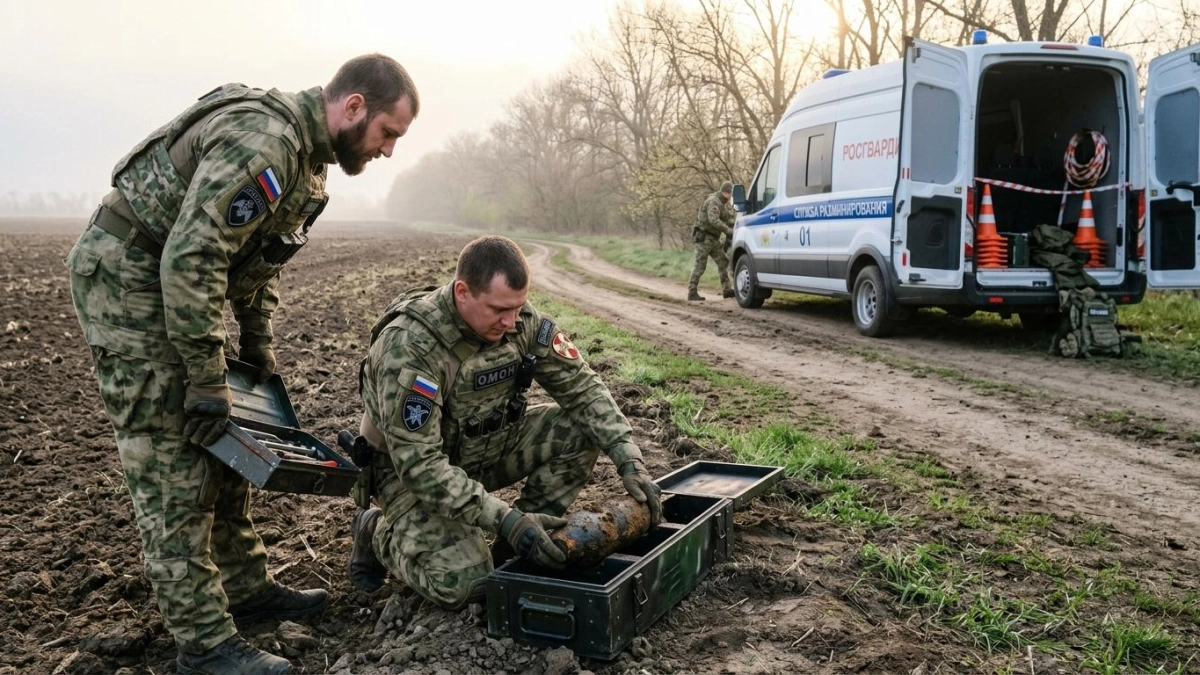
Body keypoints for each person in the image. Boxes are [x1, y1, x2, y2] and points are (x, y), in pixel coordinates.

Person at [64, 54, 420, 675]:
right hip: (128, 276)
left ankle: (244, 588)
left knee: (226, 435)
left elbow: (257, 263)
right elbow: (193, 258)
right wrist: (206, 379)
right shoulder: (267, 142)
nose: (388, 150)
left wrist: (257, 351)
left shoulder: (308, 166)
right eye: (388, 133)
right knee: (173, 454)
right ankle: (204, 644)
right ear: (354, 106)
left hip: (171, 278)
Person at [346, 235, 663, 609]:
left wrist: (629, 458)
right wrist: (506, 519)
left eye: (518, 307)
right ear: (463, 292)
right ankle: (376, 530)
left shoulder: (520, 322)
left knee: (581, 431)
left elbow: (583, 389)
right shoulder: (411, 346)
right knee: (468, 585)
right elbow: (420, 466)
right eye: (499, 310)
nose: (511, 322)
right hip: (409, 477)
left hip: (485, 450)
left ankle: (517, 549)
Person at [688, 181, 736, 301]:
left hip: (713, 240)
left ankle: (727, 290)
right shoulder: (714, 201)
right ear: (727, 193)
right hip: (704, 238)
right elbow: (714, 220)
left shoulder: (720, 203)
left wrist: (738, 224)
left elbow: (727, 219)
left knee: (723, 262)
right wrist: (729, 231)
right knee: (700, 265)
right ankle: (692, 292)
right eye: (731, 194)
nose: (731, 197)